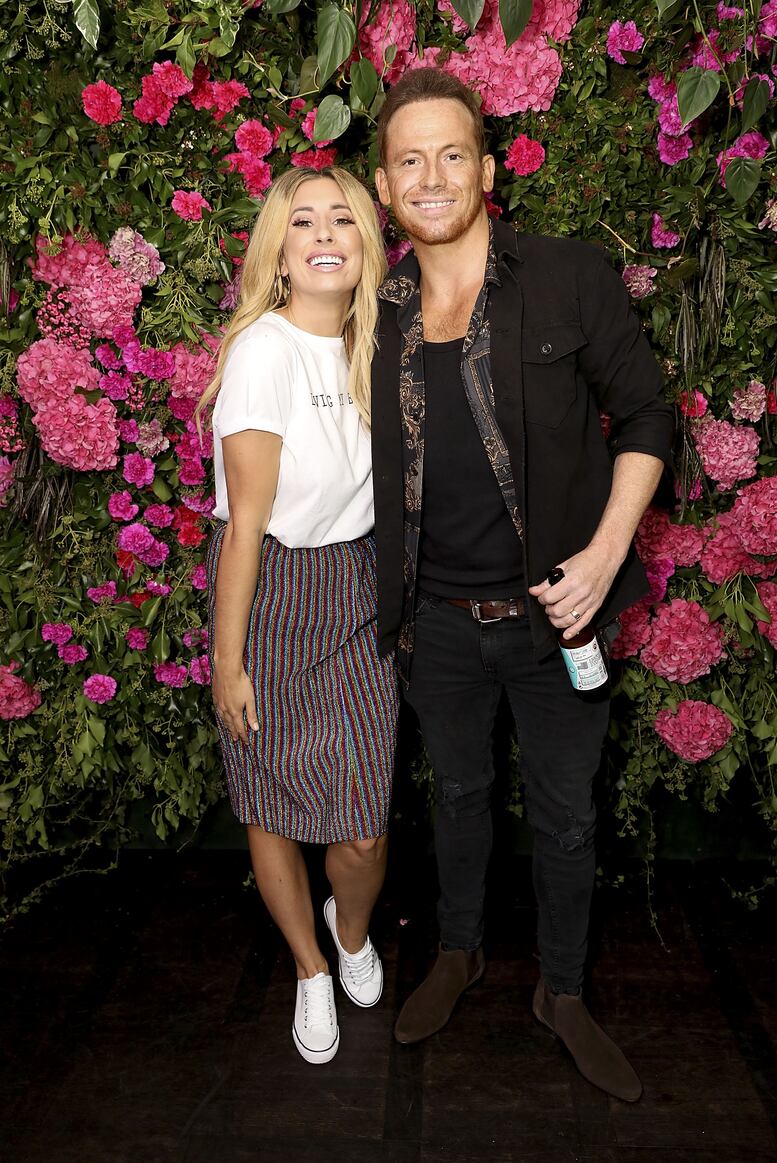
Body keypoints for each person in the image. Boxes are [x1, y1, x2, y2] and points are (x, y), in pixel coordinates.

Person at [371, 68, 673, 1102]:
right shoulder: (373, 312)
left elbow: (647, 416)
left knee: (566, 815)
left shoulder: (567, 275)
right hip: (436, 625)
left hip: (558, 620)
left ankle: (564, 991)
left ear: (488, 170)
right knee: (455, 796)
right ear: (385, 187)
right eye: (410, 160)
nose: (432, 176)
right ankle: (457, 951)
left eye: (452, 153)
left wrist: (603, 554)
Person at [197, 167, 399, 1066]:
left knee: (364, 822)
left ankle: (349, 932)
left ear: (365, 244)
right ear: (279, 252)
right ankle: (311, 966)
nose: (324, 236)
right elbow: (246, 526)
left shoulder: (378, 342)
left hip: (354, 583)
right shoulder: (263, 351)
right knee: (270, 797)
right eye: (303, 221)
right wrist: (227, 661)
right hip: (271, 584)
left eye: (342, 220)